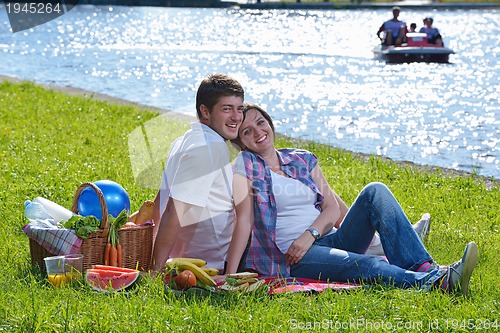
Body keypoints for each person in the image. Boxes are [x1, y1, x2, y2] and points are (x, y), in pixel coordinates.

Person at [226, 103, 479, 296]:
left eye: (261, 123)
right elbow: (244, 221)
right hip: (292, 257)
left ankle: (425, 267)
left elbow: (331, 207)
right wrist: (229, 276)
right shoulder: (247, 165)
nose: (258, 132)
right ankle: (438, 283)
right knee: (367, 265)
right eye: (247, 131)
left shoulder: (301, 158)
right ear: (242, 143)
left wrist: (309, 234)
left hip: (323, 239)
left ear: (270, 123)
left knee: (375, 190)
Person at [150, 73, 245, 273]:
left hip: (190, 256)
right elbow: (172, 212)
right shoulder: (206, 151)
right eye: (227, 109)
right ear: (205, 111)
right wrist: (155, 270)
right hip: (211, 263)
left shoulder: (187, 140)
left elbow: (160, 202)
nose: (236, 117)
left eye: (240, 109)